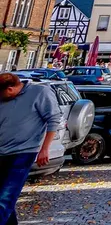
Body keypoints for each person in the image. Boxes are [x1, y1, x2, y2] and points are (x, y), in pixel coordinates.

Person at [0, 72, 62, 225]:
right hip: (2, 152)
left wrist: (44, 149)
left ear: (10, 89)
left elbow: (53, 119)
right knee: (5, 198)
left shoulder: (39, 92)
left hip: (23, 152)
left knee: (6, 197)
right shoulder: (3, 98)